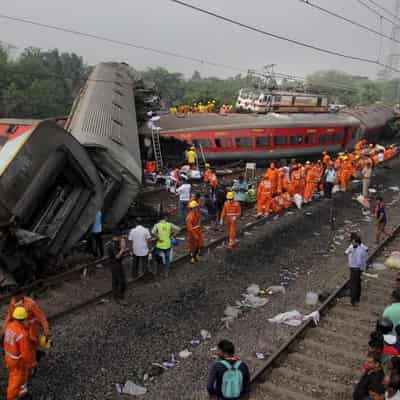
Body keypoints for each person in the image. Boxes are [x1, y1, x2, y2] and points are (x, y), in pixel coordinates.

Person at [3, 295, 49, 369]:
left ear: (22, 297)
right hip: (19, 327)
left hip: (31, 328)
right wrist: (4, 330)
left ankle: (33, 364)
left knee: (31, 345)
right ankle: (23, 361)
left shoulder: (31, 304)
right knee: (19, 345)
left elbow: (41, 317)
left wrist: (46, 332)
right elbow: (10, 316)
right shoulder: (13, 302)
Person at [3, 306, 35, 400]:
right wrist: (31, 363)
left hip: (9, 357)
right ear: (23, 319)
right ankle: (11, 397)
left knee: (23, 377)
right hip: (18, 361)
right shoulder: (22, 334)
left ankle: (22, 393)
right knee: (15, 381)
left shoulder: (10, 326)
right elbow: (25, 354)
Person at [345, 233, 368, 306]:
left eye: (352, 241)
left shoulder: (360, 251)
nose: (351, 243)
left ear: (356, 242)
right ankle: (357, 298)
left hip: (356, 268)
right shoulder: (354, 246)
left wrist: (355, 267)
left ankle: (352, 301)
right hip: (355, 267)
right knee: (357, 283)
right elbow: (346, 252)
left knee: (353, 284)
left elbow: (359, 262)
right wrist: (350, 251)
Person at [105, 233, 127, 303]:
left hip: (114, 264)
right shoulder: (112, 245)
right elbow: (117, 256)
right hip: (115, 264)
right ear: (117, 237)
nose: (121, 239)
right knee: (122, 282)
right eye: (121, 237)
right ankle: (120, 297)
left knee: (115, 281)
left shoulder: (113, 242)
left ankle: (115, 296)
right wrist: (123, 249)